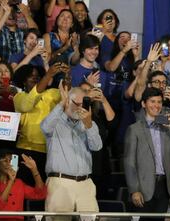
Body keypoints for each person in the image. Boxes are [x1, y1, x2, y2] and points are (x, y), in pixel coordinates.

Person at [123, 87, 170, 221]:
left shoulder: (169, 127)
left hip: (164, 185)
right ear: (144, 104)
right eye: (152, 101)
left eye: (159, 102)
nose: (156, 105)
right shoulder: (135, 129)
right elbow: (129, 162)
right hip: (143, 187)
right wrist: (134, 190)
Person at [41, 83, 102, 220]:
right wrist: (61, 104)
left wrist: (89, 125)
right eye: (77, 103)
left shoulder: (89, 124)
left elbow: (97, 147)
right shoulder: (55, 121)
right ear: (68, 101)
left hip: (86, 183)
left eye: (84, 104)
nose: (81, 108)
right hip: (60, 182)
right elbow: (45, 128)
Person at [12, 64, 61, 186]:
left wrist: (68, 76)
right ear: (23, 80)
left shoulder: (52, 93)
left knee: (44, 190)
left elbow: (67, 95)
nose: (35, 78)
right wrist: (48, 74)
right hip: (26, 150)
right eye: (31, 76)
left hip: (50, 150)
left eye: (38, 76)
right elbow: (26, 105)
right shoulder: (19, 97)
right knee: (24, 187)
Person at [0, 149, 46, 220]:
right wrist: (11, 181)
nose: (9, 163)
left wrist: (34, 169)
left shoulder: (19, 183)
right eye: (5, 161)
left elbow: (40, 194)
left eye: (11, 160)